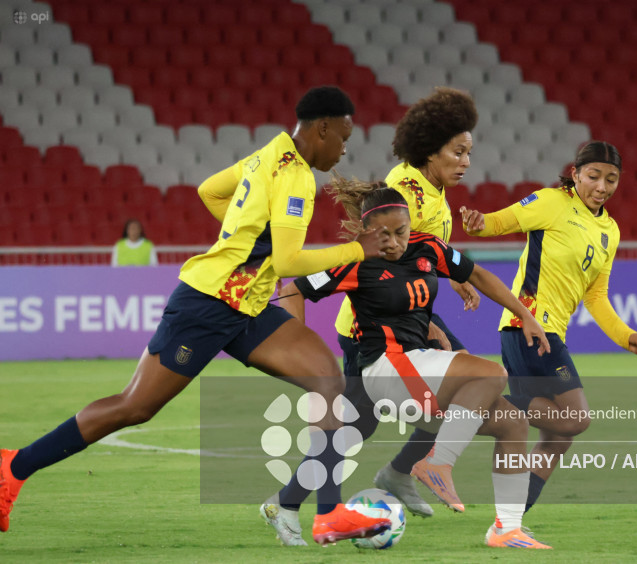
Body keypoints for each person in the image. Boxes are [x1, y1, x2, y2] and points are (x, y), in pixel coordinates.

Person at [0, 86, 394, 546]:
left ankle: (328, 515)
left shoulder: (268, 153)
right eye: (343, 136)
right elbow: (288, 262)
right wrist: (357, 249)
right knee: (135, 406)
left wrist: (245, 232)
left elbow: (209, 191)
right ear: (322, 128)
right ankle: (12, 468)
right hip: (207, 305)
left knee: (328, 379)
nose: (345, 148)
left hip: (246, 305)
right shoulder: (296, 177)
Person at [281, 183, 554, 549]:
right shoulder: (356, 259)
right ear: (366, 232)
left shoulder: (429, 247)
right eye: (384, 235)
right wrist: (299, 346)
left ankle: (506, 528)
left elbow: (478, 276)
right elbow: (293, 290)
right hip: (385, 369)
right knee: (490, 372)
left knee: (513, 423)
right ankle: (435, 463)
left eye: (401, 232)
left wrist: (525, 315)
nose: (393, 242)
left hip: (421, 368)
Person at [262, 88, 481, 540]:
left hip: (407, 322)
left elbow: (418, 257)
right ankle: (302, 498)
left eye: (468, 153)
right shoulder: (406, 188)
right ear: (429, 150)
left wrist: (450, 282)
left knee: (368, 422)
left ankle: (389, 476)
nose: (465, 161)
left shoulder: (435, 193)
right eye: (458, 152)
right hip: (374, 331)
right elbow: (383, 258)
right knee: (455, 397)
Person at [460, 141, 637, 531]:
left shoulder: (610, 231)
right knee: (576, 419)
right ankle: (476, 407)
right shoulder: (552, 202)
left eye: (611, 179)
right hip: (529, 326)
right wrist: (478, 222)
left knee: (558, 437)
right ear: (577, 172)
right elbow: (501, 222)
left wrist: (626, 336)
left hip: (550, 332)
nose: (602, 186)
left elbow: (596, 296)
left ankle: (509, 522)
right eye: (594, 176)